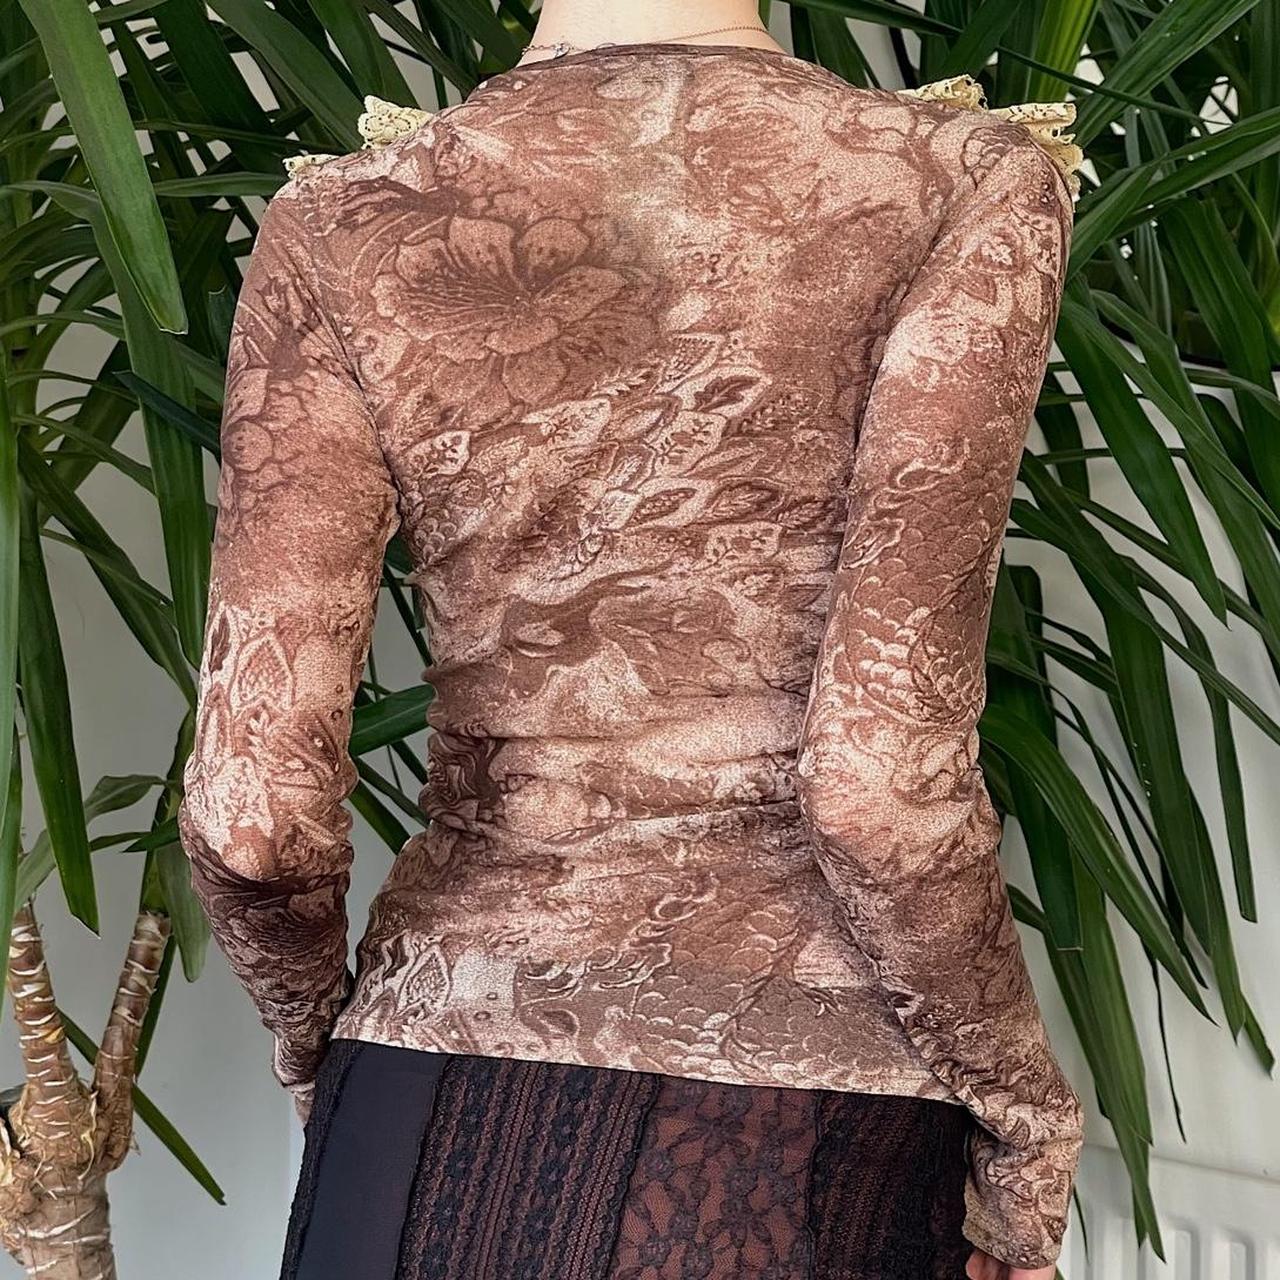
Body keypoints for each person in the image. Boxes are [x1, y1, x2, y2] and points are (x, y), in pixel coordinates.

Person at [174, 2, 1087, 1277]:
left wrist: (323, 1046)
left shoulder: (340, 216)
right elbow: (874, 784)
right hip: (797, 1119)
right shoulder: (955, 181)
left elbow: (251, 817)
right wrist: (1026, 1125)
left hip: (417, 1087)